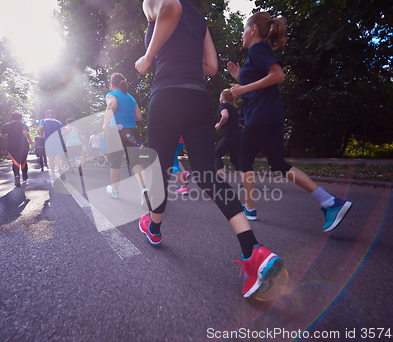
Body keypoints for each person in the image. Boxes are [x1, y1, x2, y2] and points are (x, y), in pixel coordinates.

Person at [135, 0, 282, 298]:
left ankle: (154, 226)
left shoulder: (152, 2)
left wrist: (148, 57)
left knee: (158, 173)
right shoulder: (199, 16)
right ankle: (253, 249)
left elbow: (171, 8)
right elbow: (212, 68)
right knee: (207, 176)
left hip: (167, 96)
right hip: (198, 100)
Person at [228, 12, 352, 227]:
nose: (242, 35)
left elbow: (278, 75)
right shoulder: (255, 54)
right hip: (271, 114)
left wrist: (243, 88)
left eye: (244, 30)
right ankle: (330, 202)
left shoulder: (258, 48)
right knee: (278, 163)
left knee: (243, 160)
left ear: (254, 29)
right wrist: (240, 77)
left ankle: (249, 208)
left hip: (260, 115)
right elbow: (261, 81)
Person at [102, 72, 145, 200]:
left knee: (115, 163)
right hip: (132, 131)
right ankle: (144, 190)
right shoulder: (131, 98)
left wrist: (105, 124)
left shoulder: (112, 94)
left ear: (111, 84)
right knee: (135, 162)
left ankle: (115, 191)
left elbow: (111, 105)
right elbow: (139, 117)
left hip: (116, 132)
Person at [0, 112, 33, 187]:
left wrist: (8, 137)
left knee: (15, 161)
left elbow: (1, 134)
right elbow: (25, 132)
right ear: (20, 118)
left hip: (11, 145)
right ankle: (24, 176)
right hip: (22, 145)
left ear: (12, 118)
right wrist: (30, 140)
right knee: (23, 160)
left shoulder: (7, 125)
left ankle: (16, 176)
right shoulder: (22, 125)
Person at [215, 89, 241, 181]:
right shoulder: (233, 108)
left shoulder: (223, 105)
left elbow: (225, 116)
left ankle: (221, 179)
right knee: (235, 159)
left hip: (229, 135)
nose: (219, 98)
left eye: (220, 95)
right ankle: (246, 181)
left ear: (224, 97)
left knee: (216, 154)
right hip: (238, 135)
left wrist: (219, 125)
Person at [39, 110, 66, 180]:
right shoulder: (58, 122)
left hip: (48, 142)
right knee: (60, 157)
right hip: (58, 141)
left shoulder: (43, 120)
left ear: (46, 115)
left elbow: (41, 128)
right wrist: (63, 137)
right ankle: (61, 168)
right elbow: (65, 131)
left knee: (51, 159)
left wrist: (41, 134)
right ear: (54, 115)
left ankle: (53, 173)